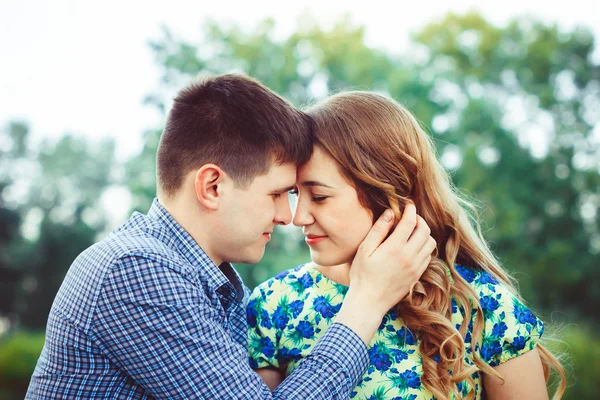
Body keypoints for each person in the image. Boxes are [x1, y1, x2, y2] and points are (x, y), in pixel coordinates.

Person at [26, 75, 436, 399]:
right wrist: (366, 301)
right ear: (212, 187)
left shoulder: (210, 284)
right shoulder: (136, 270)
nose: (286, 215)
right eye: (277, 194)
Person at [248, 91, 567, 399]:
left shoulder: (483, 306)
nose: (297, 216)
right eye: (294, 193)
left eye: (319, 196)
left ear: (387, 192)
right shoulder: (274, 305)